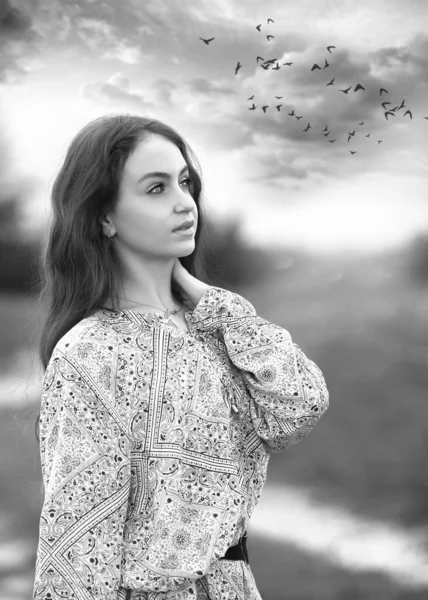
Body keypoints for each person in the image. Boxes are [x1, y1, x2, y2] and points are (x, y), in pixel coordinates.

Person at [32, 113, 330, 600]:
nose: (184, 203)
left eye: (184, 183)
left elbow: (298, 408)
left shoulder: (215, 329)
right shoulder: (90, 354)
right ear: (104, 216)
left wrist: (216, 303)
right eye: (156, 188)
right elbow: (77, 554)